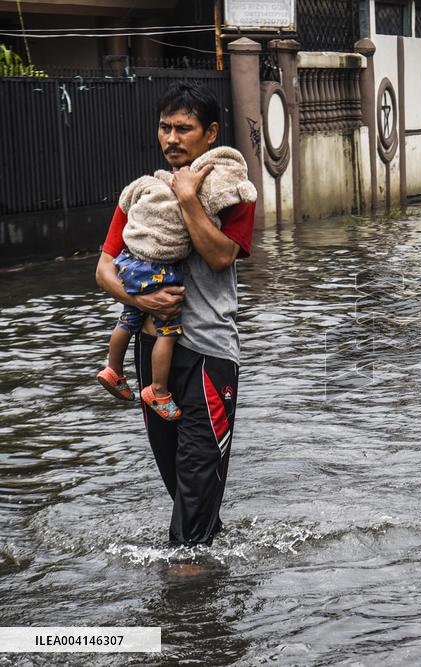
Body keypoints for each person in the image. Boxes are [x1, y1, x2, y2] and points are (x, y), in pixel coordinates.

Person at [95, 82, 257, 546]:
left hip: (209, 352)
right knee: (179, 483)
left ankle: (187, 585)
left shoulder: (232, 191)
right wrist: (143, 301)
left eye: (184, 129)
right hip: (153, 355)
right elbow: (104, 269)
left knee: (196, 484)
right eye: (165, 128)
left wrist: (188, 198)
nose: (171, 138)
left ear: (211, 134)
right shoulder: (144, 194)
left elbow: (222, 257)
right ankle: (205, 576)